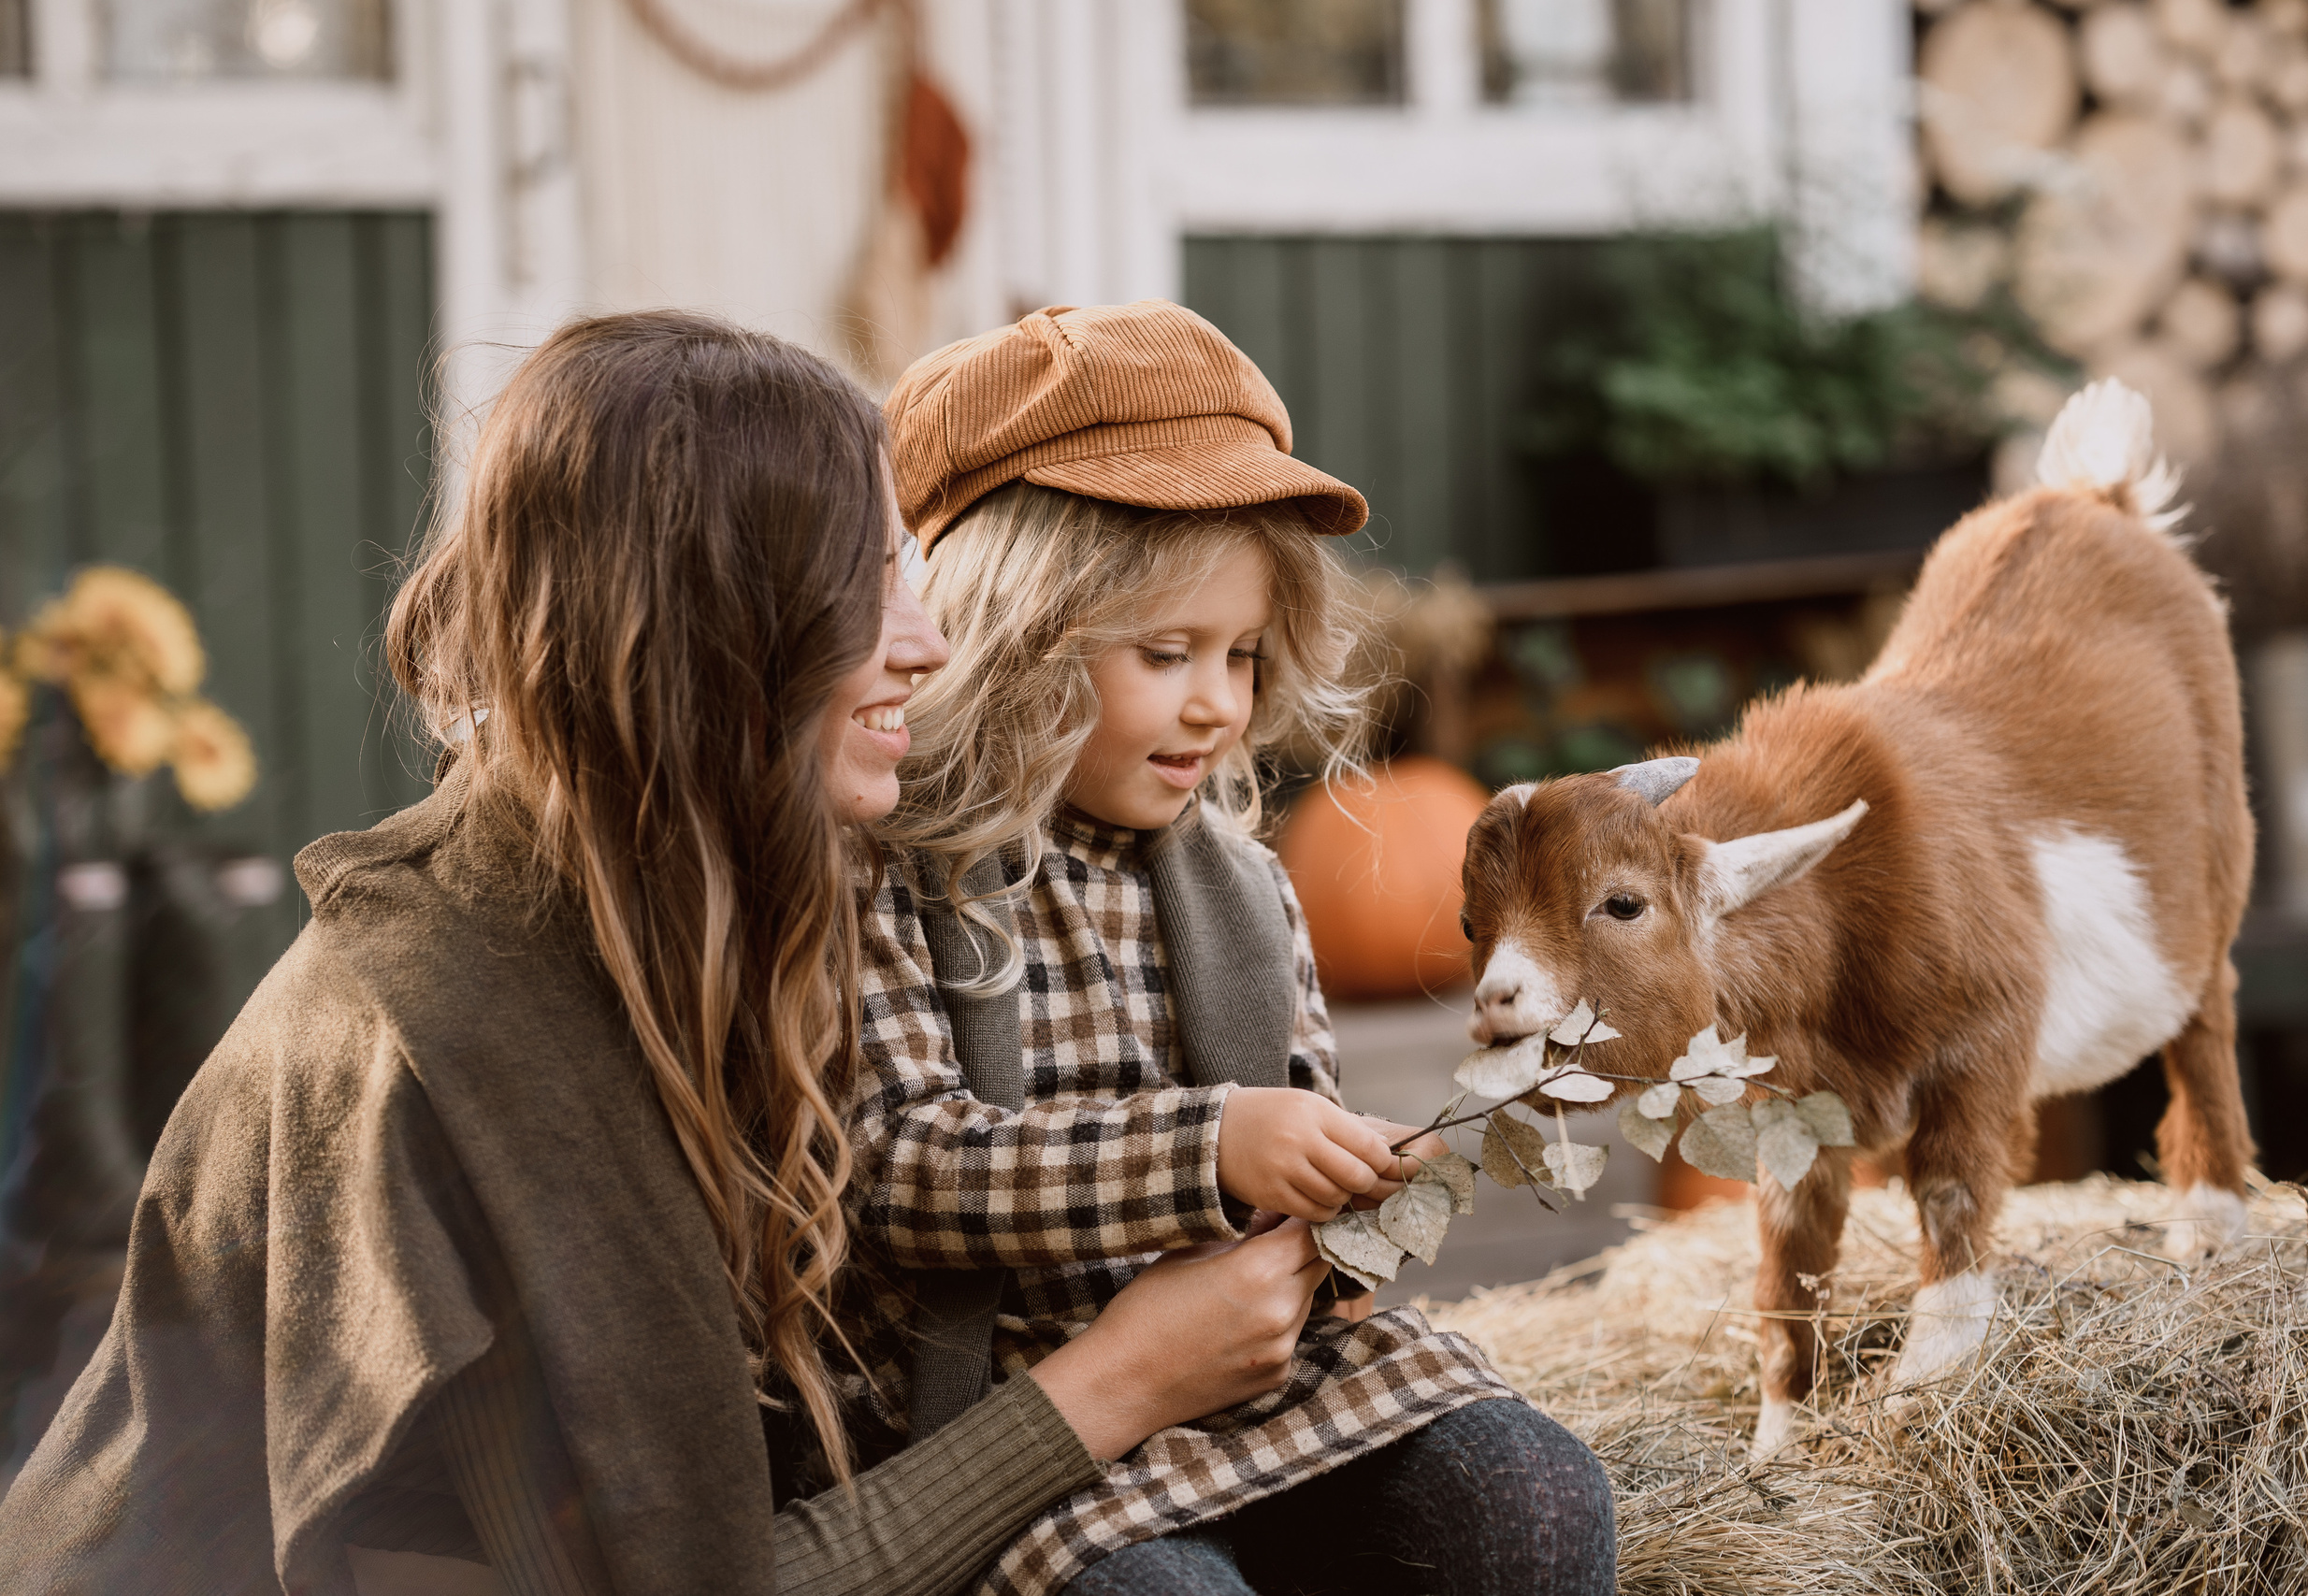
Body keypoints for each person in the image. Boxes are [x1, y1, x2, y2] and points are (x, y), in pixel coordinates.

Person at [0, 311, 1358, 1596]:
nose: (931, 642)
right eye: (868, 585)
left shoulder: (689, 899)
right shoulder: (474, 1051)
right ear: (714, 636)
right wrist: (1123, 1380)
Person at [853, 299, 1617, 1596]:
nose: (1220, 700)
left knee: (1532, 1497)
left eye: (1246, 655)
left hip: (1261, 1389)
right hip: (1031, 1413)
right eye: (1167, 653)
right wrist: (1207, 1145)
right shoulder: (893, 871)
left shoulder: (1243, 883)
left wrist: (1349, 1198)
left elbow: (1288, 1123)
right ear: (1015, 629)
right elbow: (897, 1166)